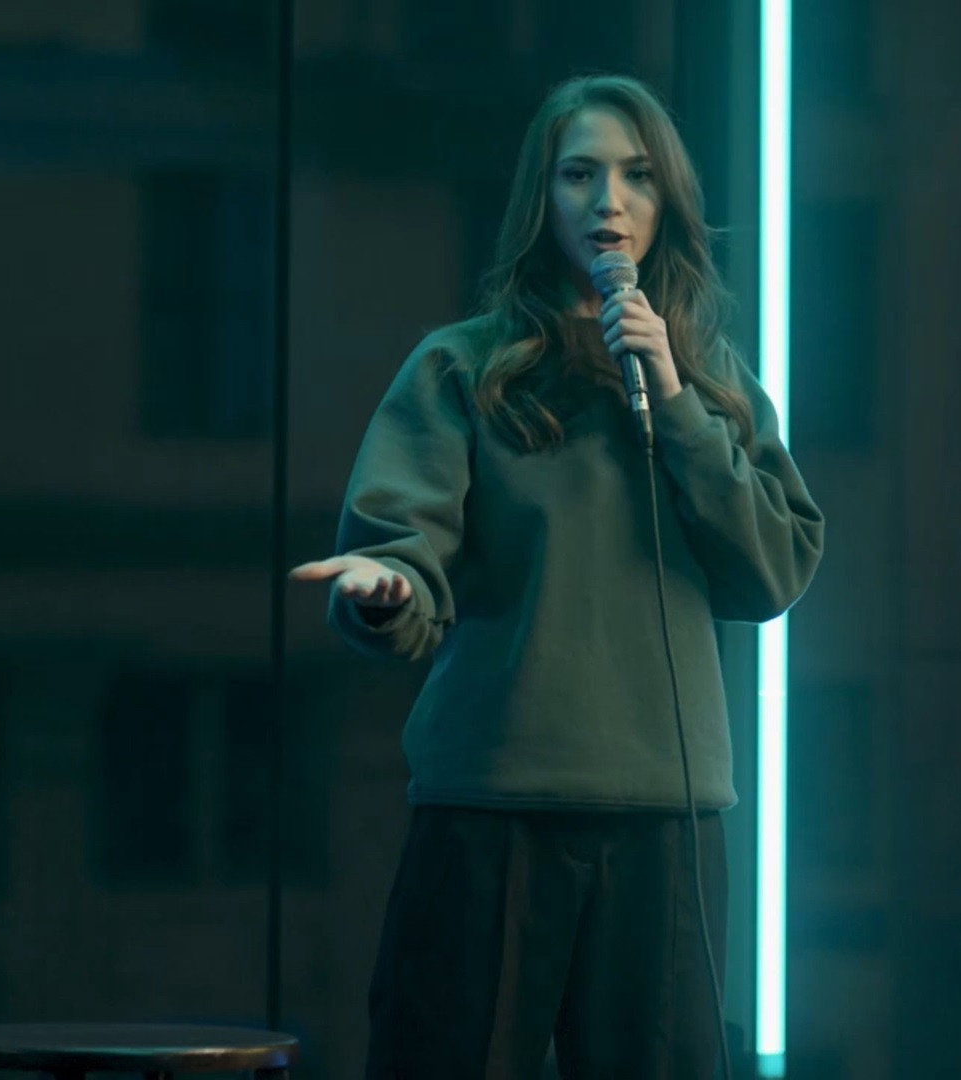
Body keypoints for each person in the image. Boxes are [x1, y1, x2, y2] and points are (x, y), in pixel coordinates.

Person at [289, 73, 825, 1080]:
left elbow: (773, 570)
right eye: (579, 174)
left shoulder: (712, 379)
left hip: (662, 813)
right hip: (492, 803)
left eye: (636, 176)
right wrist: (389, 587)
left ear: (668, 203)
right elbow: (406, 556)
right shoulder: (462, 368)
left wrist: (674, 401)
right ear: (542, 196)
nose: (608, 201)